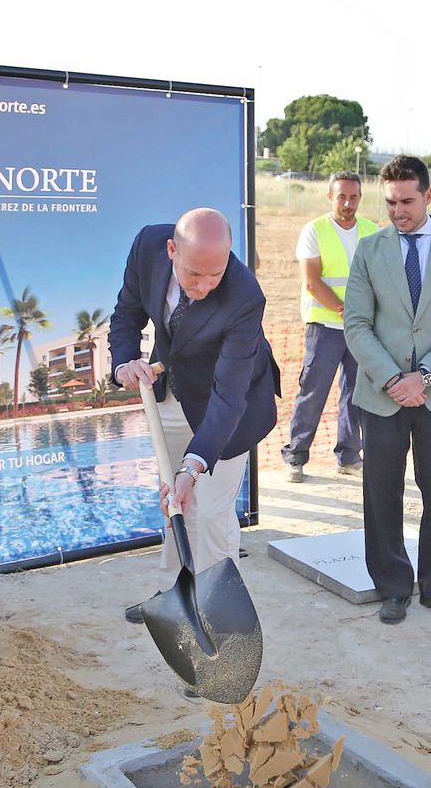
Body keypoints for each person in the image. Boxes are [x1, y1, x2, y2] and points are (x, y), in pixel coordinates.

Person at [109, 208, 280, 627]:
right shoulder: (147, 245)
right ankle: (173, 600)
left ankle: (218, 621)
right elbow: (127, 313)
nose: (203, 287)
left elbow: (229, 395)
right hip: (172, 389)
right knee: (174, 500)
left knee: (209, 513)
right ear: (171, 250)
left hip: (230, 408)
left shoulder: (245, 295)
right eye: (193, 276)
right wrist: (124, 362)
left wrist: (193, 464)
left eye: (214, 276)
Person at [343, 155, 431, 626]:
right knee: (382, 492)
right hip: (380, 395)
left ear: (428, 195)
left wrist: (422, 378)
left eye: (406, 201)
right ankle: (393, 587)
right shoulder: (369, 249)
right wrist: (392, 380)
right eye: (389, 203)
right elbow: (357, 324)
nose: (397, 211)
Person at [280, 171, 378, 482]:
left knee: (355, 393)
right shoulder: (314, 230)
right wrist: (346, 311)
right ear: (330, 197)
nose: (348, 203)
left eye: (354, 197)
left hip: (360, 329)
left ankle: (349, 456)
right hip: (324, 327)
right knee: (313, 392)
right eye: (342, 197)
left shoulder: (372, 231)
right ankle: (295, 456)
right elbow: (313, 282)